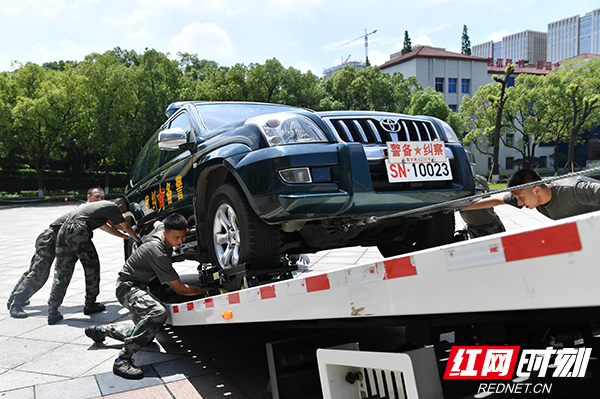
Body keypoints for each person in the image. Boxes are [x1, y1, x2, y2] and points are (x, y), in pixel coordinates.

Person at [84, 213, 206, 379]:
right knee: (158, 312)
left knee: (145, 333)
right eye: (176, 237)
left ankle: (101, 331)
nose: (180, 241)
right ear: (166, 234)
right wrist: (204, 290)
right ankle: (122, 360)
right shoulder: (159, 252)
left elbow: (157, 223)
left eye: (184, 236)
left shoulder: (164, 227)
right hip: (127, 288)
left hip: (137, 286)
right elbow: (180, 290)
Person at [7, 187, 105, 318]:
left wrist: (124, 236)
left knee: (34, 270)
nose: (100, 200)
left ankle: (14, 297)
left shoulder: (92, 211)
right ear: (89, 197)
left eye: (102, 198)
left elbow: (106, 226)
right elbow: (108, 226)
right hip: (50, 238)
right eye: (97, 196)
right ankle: (16, 304)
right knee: (39, 273)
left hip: (59, 239)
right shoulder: (85, 209)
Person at [47, 195, 139, 325]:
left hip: (63, 232)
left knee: (62, 272)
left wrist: (126, 237)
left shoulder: (96, 209)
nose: (119, 215)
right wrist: (138, 239)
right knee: (92, 269)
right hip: (78, 231)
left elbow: (111, 229)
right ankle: (90, 304)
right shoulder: (112, 207)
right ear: (120, 207)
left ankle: (52, 310)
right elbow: (127, 227)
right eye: (121, 213)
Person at [463, 168, 600, 220]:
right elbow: (496, 200)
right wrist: (459, 207)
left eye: (521, 198)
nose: (519, 203)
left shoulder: (574, 189)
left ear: (537, 190)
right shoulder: (526, 193)